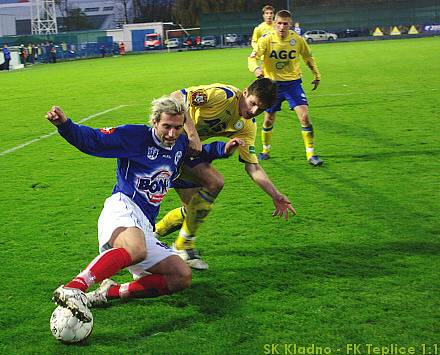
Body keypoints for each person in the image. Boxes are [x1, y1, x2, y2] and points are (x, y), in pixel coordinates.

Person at [46, 98, 243, 318]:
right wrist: (65, 125)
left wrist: (222, 149)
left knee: (180, 276)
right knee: (136, 250)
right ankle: (74, 288)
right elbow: (94, 140)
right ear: (155, 122)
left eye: (177, 127)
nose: (171, 133)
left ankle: (109, 293)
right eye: (166, 126)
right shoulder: (135, 136)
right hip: (123, 207)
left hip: (144, 224)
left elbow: (196, 154)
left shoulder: (178, 144)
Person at [155, 78, 297, 270]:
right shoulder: (223, 95)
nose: (254, 111)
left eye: (260, 109)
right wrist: (193, 135)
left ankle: (156, 234)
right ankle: (183, 246)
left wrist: (275, 194)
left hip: (185, 152)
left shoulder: (248, 126)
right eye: (253, 103)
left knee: (193, 210)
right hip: (167, 144)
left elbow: (253, 166)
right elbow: (176, 97)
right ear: (245, 92)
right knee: (214, 182)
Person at [248, 10, 324, 166]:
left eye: (285, 23)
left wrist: (316, 75)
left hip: (293, 84)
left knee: (304, 117)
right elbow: (252, 58)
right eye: (279, 23)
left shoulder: (298, 40)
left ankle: (311, 155)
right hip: (272, 85)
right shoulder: (266, 39)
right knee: (268, 120)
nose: (282, 27)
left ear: (290, 24)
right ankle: (265, 150)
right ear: (275, 24)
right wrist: (256, 69)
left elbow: (308, 57)